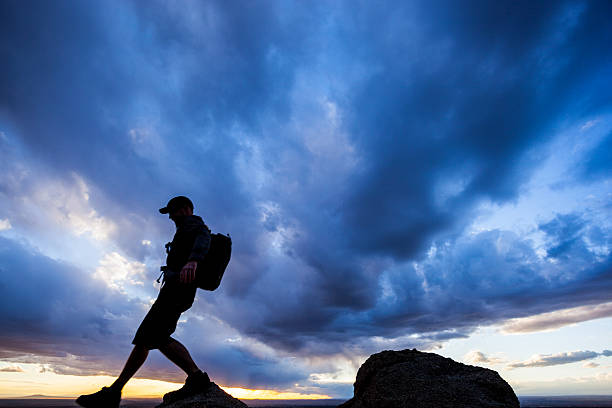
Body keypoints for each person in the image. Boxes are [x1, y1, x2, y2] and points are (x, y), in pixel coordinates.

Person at [77, 196, 213, 408]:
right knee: (150, 338)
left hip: (178, 289)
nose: (170, 216)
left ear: (186, 209)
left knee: (150, 337)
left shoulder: (194, 224)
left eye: (173, 211)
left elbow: (204, 238)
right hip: (175, 289)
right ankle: (117, 390)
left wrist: (193, 261)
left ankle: (114, 393)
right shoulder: (184, 228)